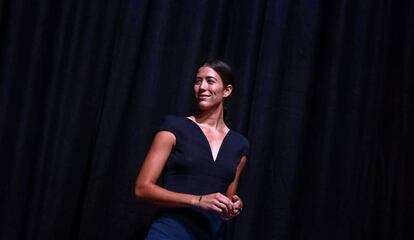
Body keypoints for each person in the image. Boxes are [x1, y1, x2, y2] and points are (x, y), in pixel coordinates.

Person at [135, 59, 249, 239]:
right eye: (198, 81)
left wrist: (234, 206)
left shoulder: (239, 145)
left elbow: (226, 201)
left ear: (227, 90)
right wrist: (197, 200)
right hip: (170, 232)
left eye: (210, 81)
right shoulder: (174, 128)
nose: (202, 87)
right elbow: (142, 189)